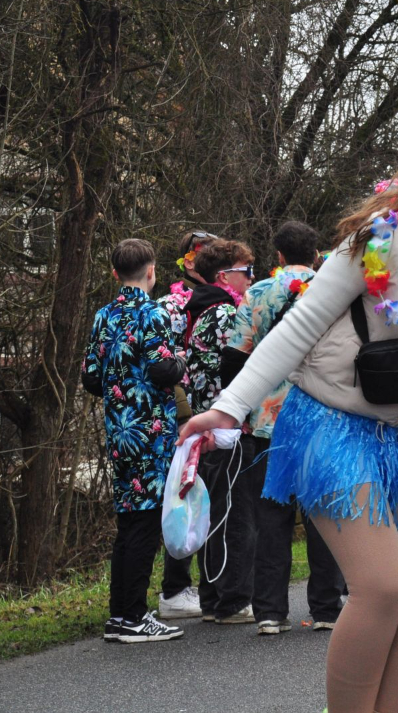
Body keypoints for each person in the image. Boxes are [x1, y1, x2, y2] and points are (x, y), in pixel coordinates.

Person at [180, 112, 398, 713]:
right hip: (331, 424)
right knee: (383, 586)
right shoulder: (380, 236)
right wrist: (228, 408)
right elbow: (299, 327)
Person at [219, 220, 347, 636]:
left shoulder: (257, 293)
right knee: (322, 514)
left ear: (277, 255)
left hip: (268, 421)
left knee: (271, 516)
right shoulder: (333, 288)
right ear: (315, 254)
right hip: (322, 417)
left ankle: (270, 612)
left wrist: (240, 406)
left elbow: (234, 357)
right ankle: (326, 607)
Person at [81, 239, 186, 643]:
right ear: (152, 271)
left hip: (120, 431)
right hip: (151, 433)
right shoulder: (153, 313)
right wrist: (180, 363)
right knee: (145, 523)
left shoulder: (103, 315)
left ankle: (120, 615)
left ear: (114, 273)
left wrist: (120, 387)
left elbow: (91, 378)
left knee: (128, 522)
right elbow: (162, 370)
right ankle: (136, 617)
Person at [186, 238, 260, 624]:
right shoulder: (228, 313)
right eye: (246, 271)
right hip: (229, 427)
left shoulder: (201, 309)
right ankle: (232, 600)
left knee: (214, 512)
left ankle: (213, 598)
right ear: (224, 276)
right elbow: (239, 369)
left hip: (208, 426)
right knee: (235, 515)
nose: (252, 278)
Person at [155, 229, 219, 620]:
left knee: (212, 500)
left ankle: (211, 585)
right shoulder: (170, 305)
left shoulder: (227, 300)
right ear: (189, 261)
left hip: (218, 411)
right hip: (184, 415)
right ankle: (175, 588)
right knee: (185, 495)